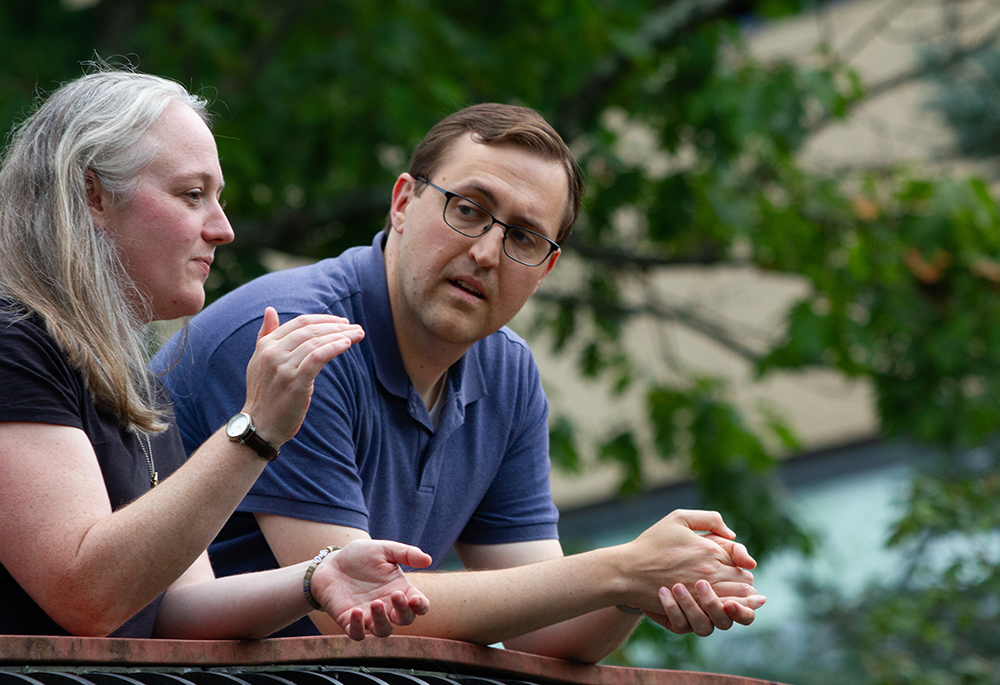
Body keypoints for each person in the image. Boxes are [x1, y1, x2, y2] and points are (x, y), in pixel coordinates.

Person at [152, 103, 765, 662]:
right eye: (468, 210)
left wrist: (643, 590)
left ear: (547, 268)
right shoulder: (299, 334)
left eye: (523, 236)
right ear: (402, 203)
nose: (486, 253)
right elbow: (354, 607)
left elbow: (540, 632)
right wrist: (623, 569)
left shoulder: (508, 374)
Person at [0, 65, 432, 640]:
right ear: (92, 195)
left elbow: (180, 609)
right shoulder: (12, 343)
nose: (223, 229)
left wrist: (316, 578)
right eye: (192, 195)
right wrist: (255, 430)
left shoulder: (133, 379)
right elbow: (85, 596)